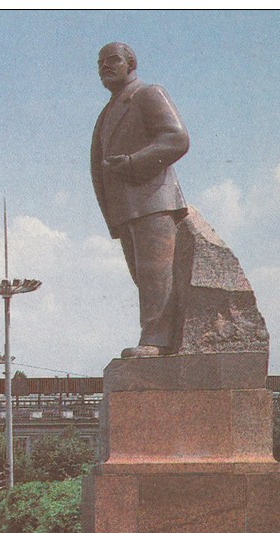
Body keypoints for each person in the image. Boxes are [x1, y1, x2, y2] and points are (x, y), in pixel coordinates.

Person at [91, 42, 190, 358]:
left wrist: (133, 163)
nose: (105, 66)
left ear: (131, 64)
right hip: (127, 209)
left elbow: (177, 139)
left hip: (154, 200)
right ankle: (163, 336)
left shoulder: (148, 94)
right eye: (100, 63)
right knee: (144, 278)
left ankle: (158, 340)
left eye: (113, 60)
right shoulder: (108, 111)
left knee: (155, 275)